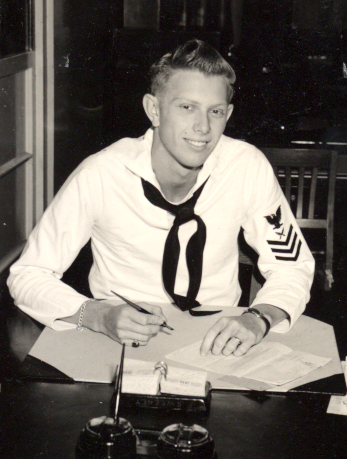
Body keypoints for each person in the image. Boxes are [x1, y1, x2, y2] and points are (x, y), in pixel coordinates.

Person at [7, 39, 314, 358]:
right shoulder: (101, 174)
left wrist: (259, 318)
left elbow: (293, 266)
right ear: (154, 109)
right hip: (118, 341)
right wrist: (98, 316)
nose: (203, 127)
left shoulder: (247, 167)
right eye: (186, 107)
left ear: (229, 114)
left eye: (216, 111)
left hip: (219, 343)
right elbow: (28, 274)